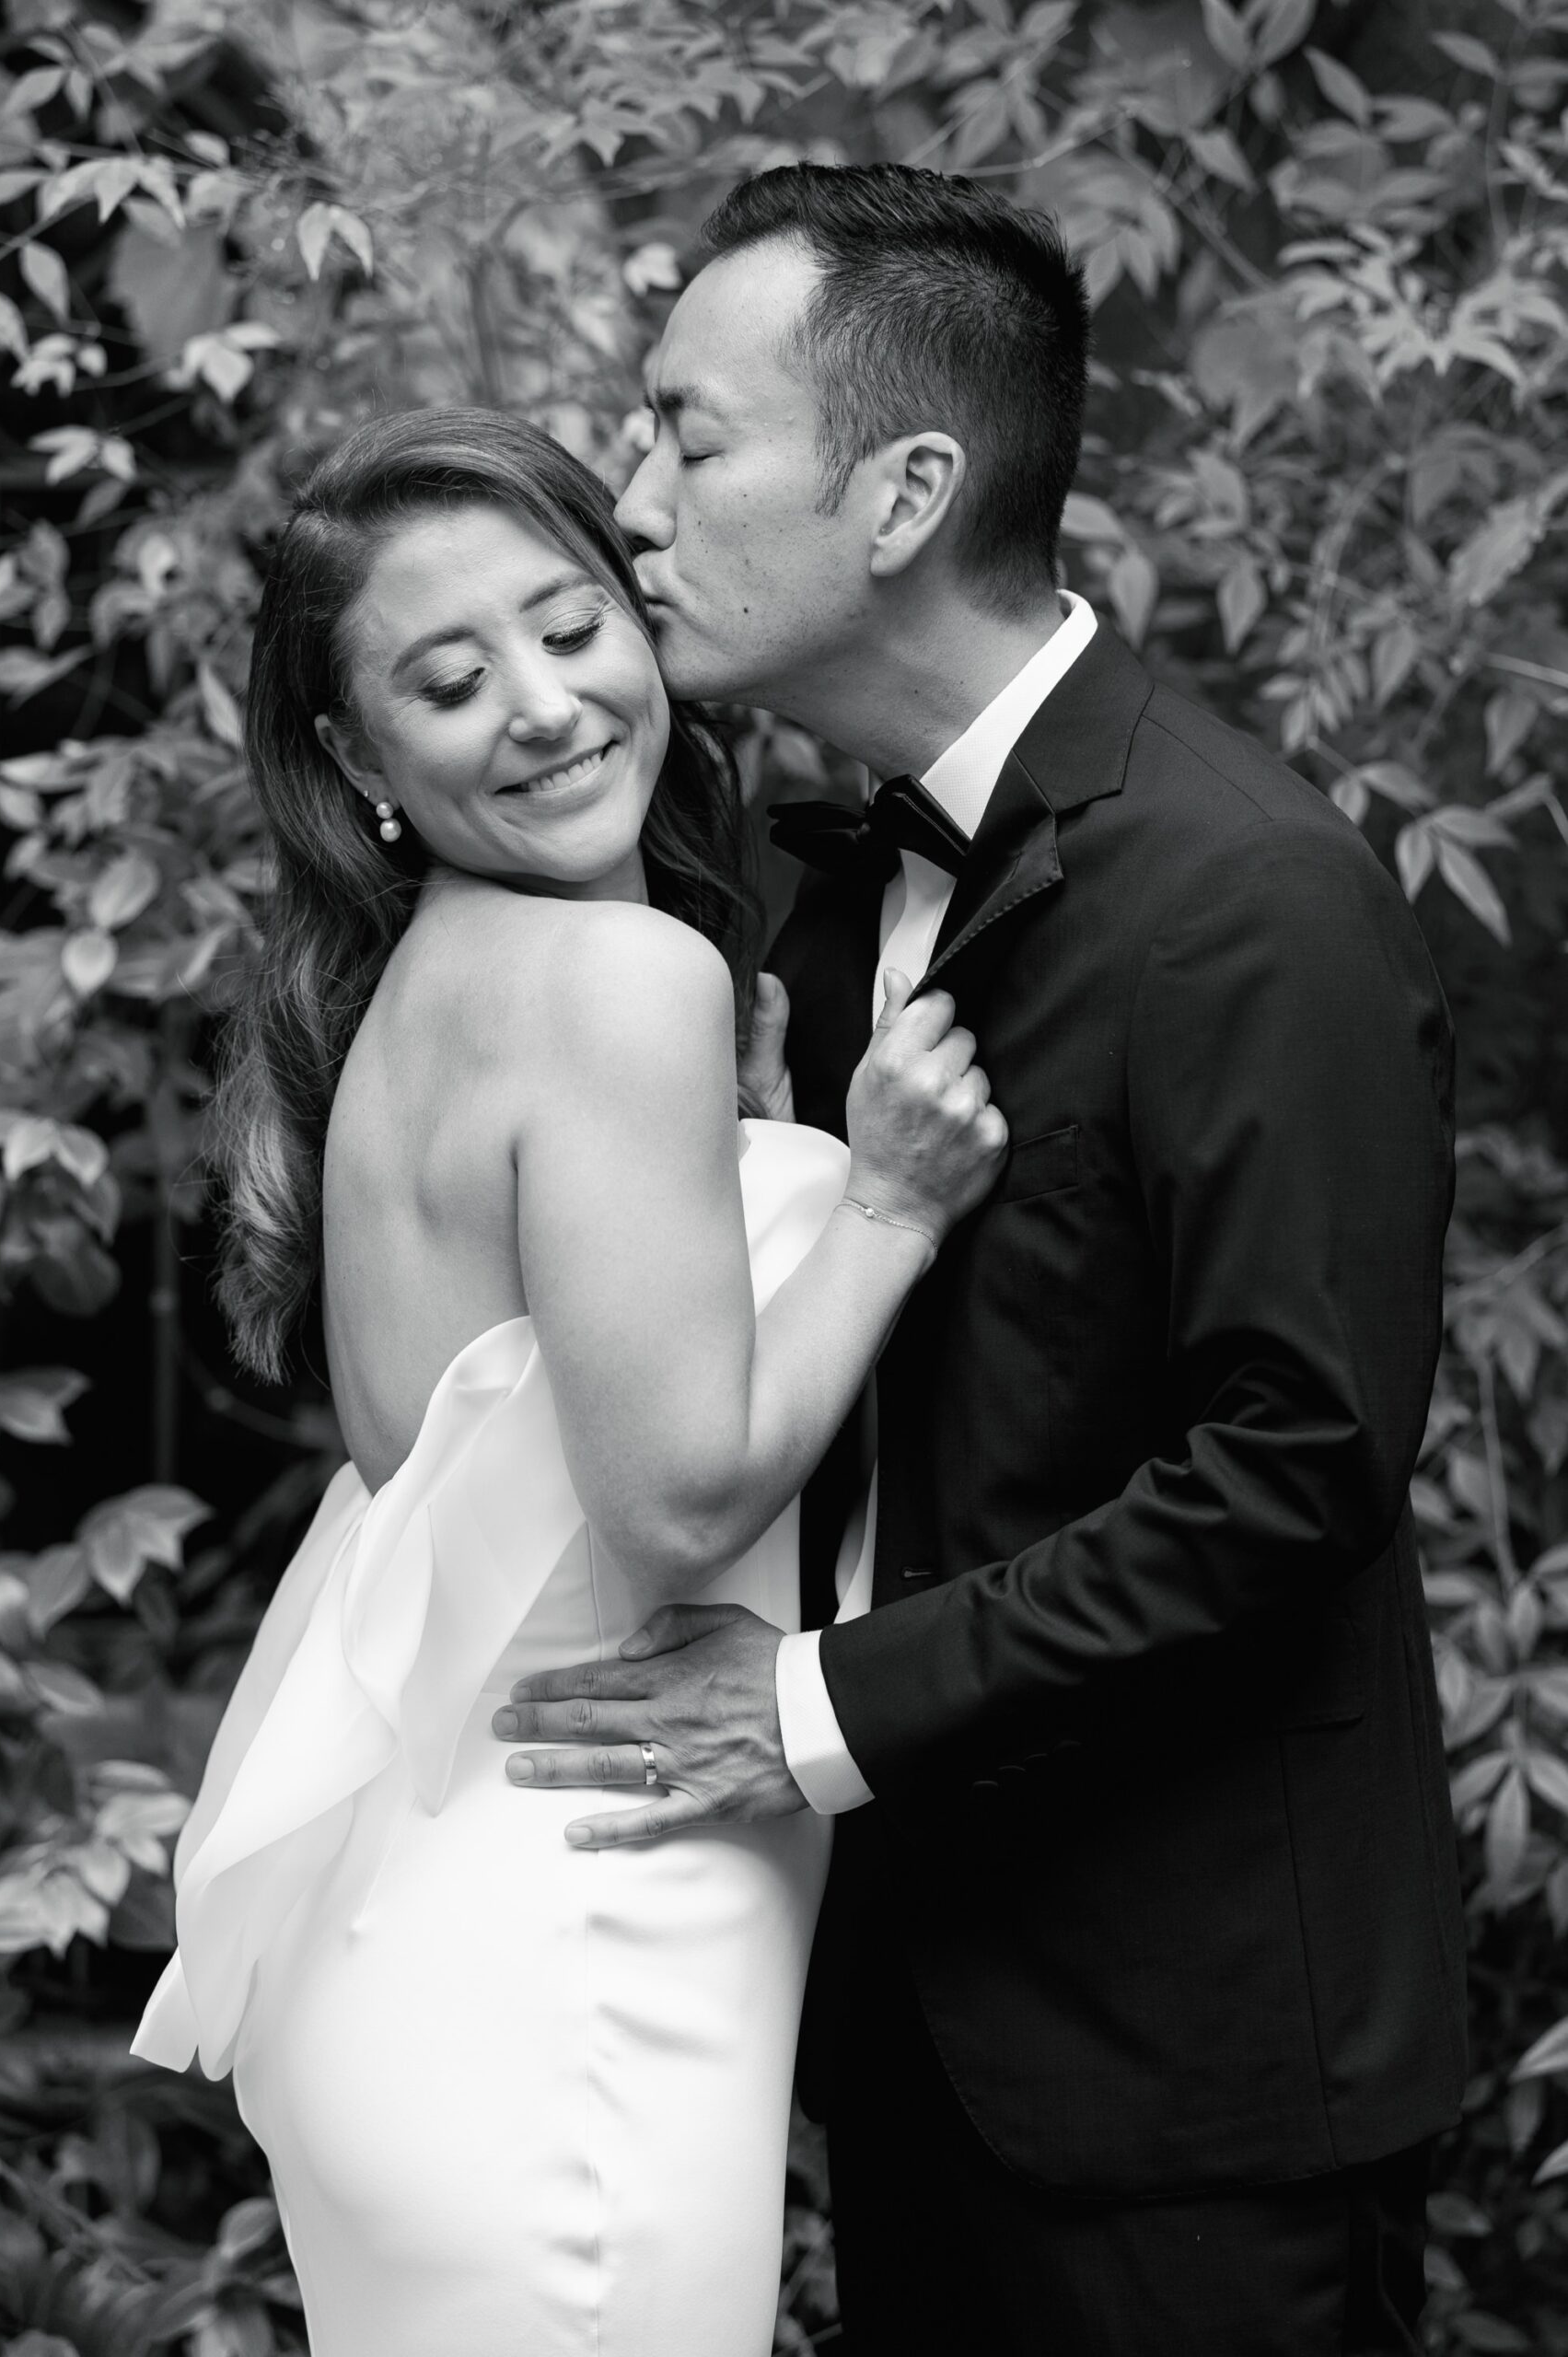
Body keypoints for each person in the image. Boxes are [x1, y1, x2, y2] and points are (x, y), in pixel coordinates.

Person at [497, 163, 1469, 2355]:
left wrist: (810, 1711)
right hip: (900, 2026)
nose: (629, 500)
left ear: (905, 487)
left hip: (1193, 2078)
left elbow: (1289, 1471)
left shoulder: (1252, 897)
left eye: (688, 433)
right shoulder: (807, 883)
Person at [130, 406, 1006, 2357]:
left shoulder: (417, 1001)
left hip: (432, 1927)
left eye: (569, 623)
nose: (540, 704)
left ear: (639, 615)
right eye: (450, 680)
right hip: (577, 1934)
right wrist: (872, 1206)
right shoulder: (617, 984)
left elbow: (473, 1461)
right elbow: (674, 1497)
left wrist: (746, 1157)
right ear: (356, 758)